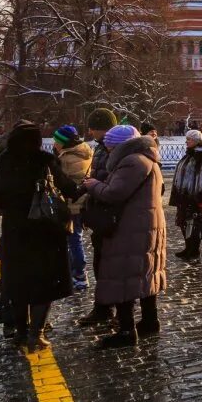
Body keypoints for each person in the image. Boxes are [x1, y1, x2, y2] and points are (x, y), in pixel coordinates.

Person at [0, 120, 80, 352]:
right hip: (44, 231)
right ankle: (36, 334)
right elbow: (68, 187)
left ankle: (20, 333)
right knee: (44, 283)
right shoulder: (44, 161)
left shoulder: (4, 162)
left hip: (14, 232)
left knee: (18, 284)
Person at [82, 125, 167, 348]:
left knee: (123, 275)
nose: (108, 151)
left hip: (130, 227)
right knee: (145, 272)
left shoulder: (132, 162)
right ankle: (150, 321)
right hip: (145, 225)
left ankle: (126, 330)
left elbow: (114, 193)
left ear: (118, 146)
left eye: (110, 147)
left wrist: (93, 185)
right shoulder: (147, 158)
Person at [76, 107, 119, 328]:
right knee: (101, 262)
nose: (90, 132)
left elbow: (109, 181)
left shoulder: (112, 150)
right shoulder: (102, 148)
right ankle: (104, 306)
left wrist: (93, 187)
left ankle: (108, 308)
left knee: (108, 264)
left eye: (93, 128)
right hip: (100, 211)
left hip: (108, 214)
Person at [52, 125, 93, 291]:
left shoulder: (68, 159)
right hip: (80, 202)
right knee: (74, 238)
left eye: (57, 141)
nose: (54, 143)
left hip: (72, 204)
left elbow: (62, 181)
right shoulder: (82, 152)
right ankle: (74, 273)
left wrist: (56, 161)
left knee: (74, 239)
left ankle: (80, 275)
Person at [170, 129, 202, 262]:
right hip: (184, 194)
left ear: (196, 141)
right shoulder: (190, 154)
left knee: (194, 224)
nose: (186, 141)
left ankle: (195, 251)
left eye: (189, 139)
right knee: (184, 222)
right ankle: (188, 248)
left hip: (194, 195)